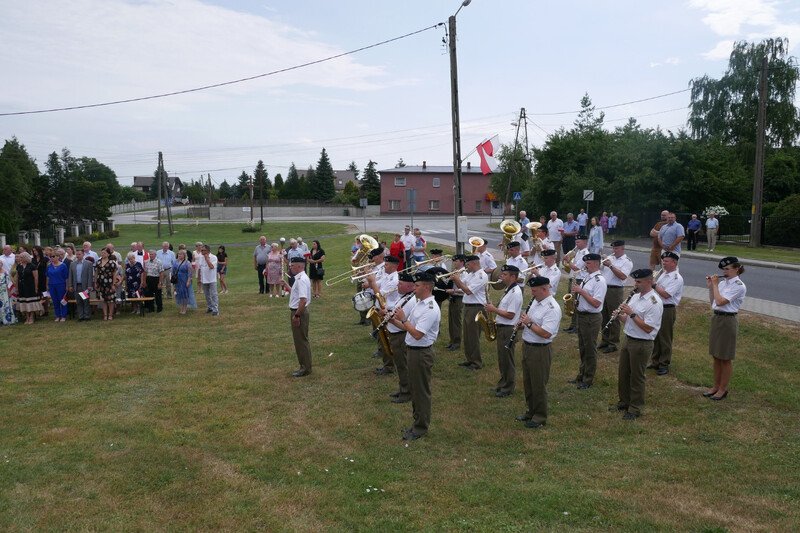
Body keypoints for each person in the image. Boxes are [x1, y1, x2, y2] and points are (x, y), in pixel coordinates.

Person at [389, 270, 440, 441]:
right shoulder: (419, 303)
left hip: (421, 353)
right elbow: (407, 327)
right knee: (415, 389)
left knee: (421, 392)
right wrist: (393, 320)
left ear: (426, 287)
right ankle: (416, 423)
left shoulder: (431, 308)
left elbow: (418, 334)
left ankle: (420, 427)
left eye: (417, 286)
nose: (414, 288)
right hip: (413, 351)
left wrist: (403, 319)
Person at [610, 269, 663, 420]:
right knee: (624, 373)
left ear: (649, 282)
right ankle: (624, 402)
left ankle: (635, 408)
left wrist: (632, 313)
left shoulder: (654, 302)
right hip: (629, 338)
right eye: (635, 281)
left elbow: (648, 328)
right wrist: (620, 316)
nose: (636, 285)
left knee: (637, 377)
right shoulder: (636, 297)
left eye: (639, 282)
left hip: (642, 343)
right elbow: (630, 320)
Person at [516, 275, 562, 428]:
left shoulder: (552, 308)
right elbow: (532, 323)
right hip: (528, 346)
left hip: (540, 350)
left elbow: (545, 333)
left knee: (538, 384)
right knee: (528, 382)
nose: (532, 293)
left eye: (534, 290)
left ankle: (540, 417)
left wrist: (528, 324)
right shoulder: (537, 301)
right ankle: (531, 411)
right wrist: (522, 325)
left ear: (544, 288)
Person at [704, 256, 746, 401]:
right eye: (723, 269)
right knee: (716, 355)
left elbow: (721, 302)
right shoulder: (723, 283)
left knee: (725, 357)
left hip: (728, 321)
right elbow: (714, 303)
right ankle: (715, 386)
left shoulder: (738, 285)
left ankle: (723, 389)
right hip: (717, 318)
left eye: (727, 269)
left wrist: (715, 285)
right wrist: (711, 288)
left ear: (737, 269)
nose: (724, 272)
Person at [568, 253, 606, 389]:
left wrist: (581, 292)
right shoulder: (587, 277)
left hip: (591, 318)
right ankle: (582, 374)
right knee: (583, 347)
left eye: (589, 263)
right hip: (582, 316)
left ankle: (588, 379)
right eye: (586, 263)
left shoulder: (599, 281)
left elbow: (596, 303)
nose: (585, 265)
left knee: (590, 349)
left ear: (596, 264)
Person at [485, 264, 523, 398]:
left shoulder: (515, 293)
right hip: (503, 328)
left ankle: (508, 387)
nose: (501, 276)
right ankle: (503, 383)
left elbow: (510, 315)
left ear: (513, 277)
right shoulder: (508, 290)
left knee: (508, 360)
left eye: (505, 274)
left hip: (508, 329)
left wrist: (493, 309)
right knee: (502, 359)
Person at [649, 252, 684, 375]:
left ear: (675, 263)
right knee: (656, 335)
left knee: (665, 337)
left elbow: (666, 294)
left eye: (667, 261)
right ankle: (655, 361)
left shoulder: (676, 278)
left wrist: (653, 284)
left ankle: (664, 363)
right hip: (658, 307)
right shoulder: (664, 274)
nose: (664, 263)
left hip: (667, 309)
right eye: (663, 261)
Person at [452, 254, 488, 370]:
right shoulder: (471, 275)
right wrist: (456, 279)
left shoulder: (481, 275)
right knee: (467, 336)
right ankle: (469, 359)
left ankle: (476, 362)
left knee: (473, 336)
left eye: (468, 264)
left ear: (474, 263)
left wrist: (457, 279)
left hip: (476, 308)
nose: (466, 267)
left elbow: (468, 291)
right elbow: (462, 287)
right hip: (468, 306)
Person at [386, 272, 417, 404]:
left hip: (401, 336)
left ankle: (406, 393)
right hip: (395, 334)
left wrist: (392, 321)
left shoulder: (410, 301)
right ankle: (402, 388)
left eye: (401, 283)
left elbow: (406, 326)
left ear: (409, 287)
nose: (397, 285)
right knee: (399, 365)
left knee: (403, 365)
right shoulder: (403, 297)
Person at [598, 240, 633, 354]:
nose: (614, 251)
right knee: (604, 314)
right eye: (613, 249)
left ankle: (613, 343)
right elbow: (600, 270)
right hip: (605, 288)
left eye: (616, 249)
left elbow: (622, 276)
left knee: (614, 315)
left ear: (623, 248)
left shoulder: (627, 262)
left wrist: (611, 266)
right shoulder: (610, 258)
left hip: (615, 290)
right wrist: (601, 262)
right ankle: (605, 340)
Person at [282, 257, 312, 377]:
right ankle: (304, 366)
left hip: (299, 312)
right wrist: (287, 286)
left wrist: (297, 315)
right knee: (300, 340)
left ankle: (305, 368)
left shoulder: (301, 279)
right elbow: (297, 294)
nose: (290, 268)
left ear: (299, 266)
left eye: (292, 266)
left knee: (301, 341)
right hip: (298, 310)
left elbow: (303, 300)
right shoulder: (300, 278)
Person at [369, 255, 399, 375]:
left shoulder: (394, 280)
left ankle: (389, 367)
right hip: (381, 310)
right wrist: (370, 279)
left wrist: (371, 281)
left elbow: (379, 294)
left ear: (393, 266)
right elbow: (375, 285)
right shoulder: (387, 276)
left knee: (387, 340)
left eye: (386, 264)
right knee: (383, 340)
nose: (384, 266)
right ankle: (387, 364)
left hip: (387, 311)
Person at [562, 235, 587, 334]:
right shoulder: (578, 252)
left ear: (584, 243)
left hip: (579, 280)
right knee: (572, 302)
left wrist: (568, 260)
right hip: (574, 278)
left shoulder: (585, 253)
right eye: (576, 242)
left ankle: (577, 326)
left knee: (576, 302)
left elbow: (577, 268)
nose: (576, 244)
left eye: (579, 242)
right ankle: (572, 325)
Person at [444, 254, 466, 352]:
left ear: (462, 262)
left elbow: (463, 288)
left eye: (456, 261)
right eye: (454, 261)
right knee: (451, 320)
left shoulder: (464, 273)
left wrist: (453, 290)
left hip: (459, 298)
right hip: (453, 297)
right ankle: (452, 341)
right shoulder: (455, 271)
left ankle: (457, 343)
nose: (454, 263)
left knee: (456, 321)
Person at [68, 249, 94, 322]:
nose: (78, 256)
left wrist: (89, 285)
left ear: (83, 255)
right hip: (77, 286)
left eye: (79, 254)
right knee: (79, 302)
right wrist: (70, 285)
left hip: (85, 286)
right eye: (77, 254)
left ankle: (87, 316)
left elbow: (90, 275)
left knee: (85, 301)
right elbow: (70, 275)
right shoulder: (72, 264)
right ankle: (80, 316)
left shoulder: (88, 264)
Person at [94, 247, 120, 321]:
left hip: (109, 282)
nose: (103, 254)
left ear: (108, 254)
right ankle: (105, 314)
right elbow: (96, 273)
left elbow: (114, 273)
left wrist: (113, 284)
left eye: (104, 253)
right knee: (103, 299)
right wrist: (95, 282)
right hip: (101, 283)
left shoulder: (112, 262)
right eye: (102, 253)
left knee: (110, 300)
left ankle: (110, 314)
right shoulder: (98, 262)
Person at [16, 252, 42, 324]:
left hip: (30, 286)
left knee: (31, 302)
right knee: (24, 302)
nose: (20, 259)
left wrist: (36, 287)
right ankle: (27, 316)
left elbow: (36, 278)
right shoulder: (19, 266)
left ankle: (31, 316)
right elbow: (17, 277)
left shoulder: (32, 266)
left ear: (25, 258)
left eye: (21, 257)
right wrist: (17, 287)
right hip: (22, 286)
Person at [198, 245, 219, 316]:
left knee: (213, 294)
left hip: (212, 279)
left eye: (202, 250)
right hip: (204, 279)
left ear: (207, 251)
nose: (201, 252)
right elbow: (199, 268)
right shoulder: (201, 258)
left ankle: (215, 309)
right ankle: (210, 307)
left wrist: (207, 259)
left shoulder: (213, 257)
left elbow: (211, 266)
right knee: (207, 295)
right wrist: (199, 279)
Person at [174, 249, 197, 314]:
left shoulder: (187, 263)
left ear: (184, 255)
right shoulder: (175, 262)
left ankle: (184, 308)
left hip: (184, 280)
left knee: (185, 294)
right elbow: (173, 271)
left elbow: (190, 273)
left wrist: (188, 281)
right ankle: (181, 307)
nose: (179, 255)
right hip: (178, 280)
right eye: (178, 254)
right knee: (179, 294)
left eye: (181, 254)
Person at [32, 246, 49, 317]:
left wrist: (47, 282)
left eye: (36, 250)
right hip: (36, 278)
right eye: (33, 251)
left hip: (43, 278)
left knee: (45, 295)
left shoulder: (45, 259)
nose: (35, 252)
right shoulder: (32, 260)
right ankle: (40, 309)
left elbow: (47, 269)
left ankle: (46, 310)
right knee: (38, 294)